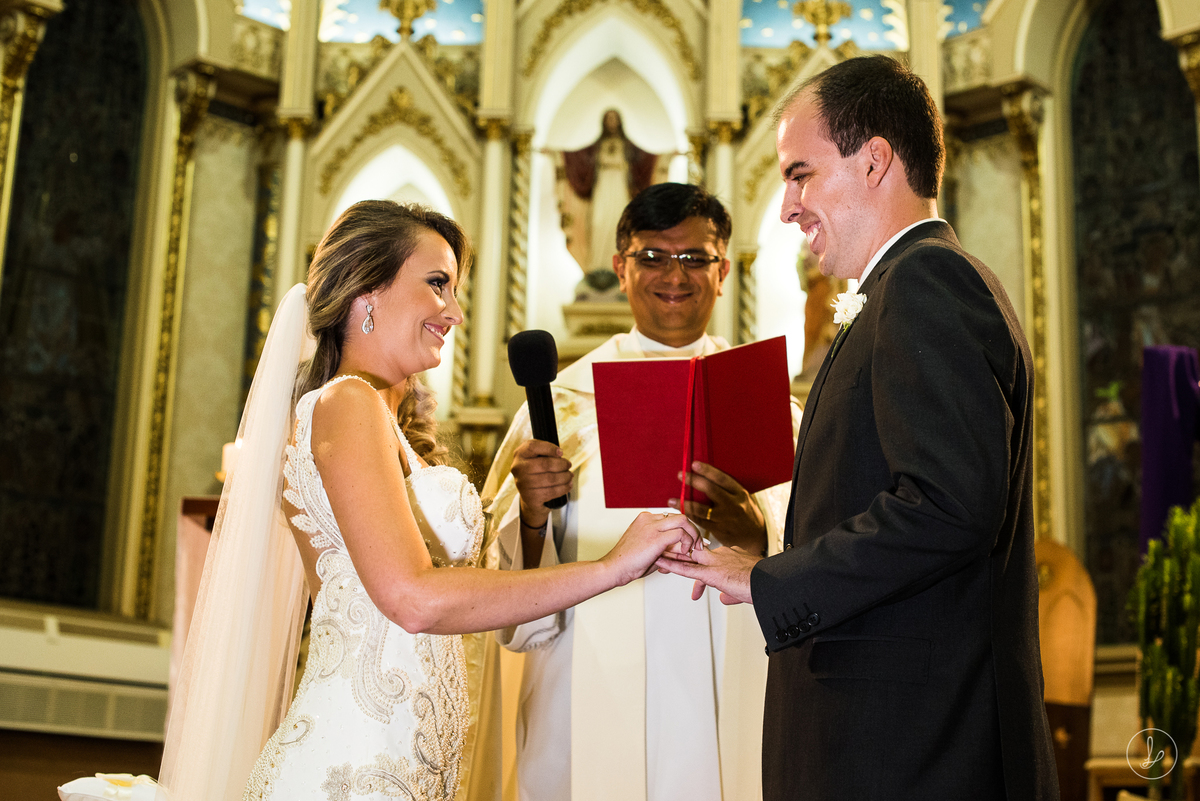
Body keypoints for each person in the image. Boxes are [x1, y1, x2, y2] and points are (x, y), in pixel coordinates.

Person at [156, 201, 698, 801]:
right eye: (438, 284)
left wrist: (538, 518)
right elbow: (411, 598)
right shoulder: (346, 405)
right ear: (367, 290)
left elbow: (477, 599)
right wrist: (609, 568)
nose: (456, 313)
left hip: (409, 763)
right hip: (353, 767)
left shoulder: (387, 423)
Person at [658, 56, 1059, 800]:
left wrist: (770, 580)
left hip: (909, 752)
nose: (785, 207)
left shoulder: (926, 282)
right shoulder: (897, 289)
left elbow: (947, 506)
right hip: (890, 745)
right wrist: (766, 545)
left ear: (875, 160)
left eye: (801, 174)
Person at [483, 183, 801, 801]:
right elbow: (503, 591)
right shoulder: (563, 407)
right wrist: (529, 515)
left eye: (694, 258)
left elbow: (824, 547)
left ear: (724, 269)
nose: (673, 275)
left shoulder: (769, 408)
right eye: (653, 256)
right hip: (591, 678)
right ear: (620, 268)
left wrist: (757, 530)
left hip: (732, 675)